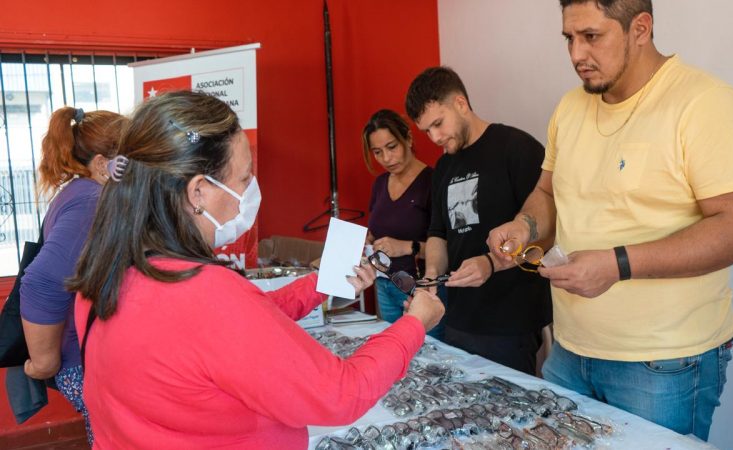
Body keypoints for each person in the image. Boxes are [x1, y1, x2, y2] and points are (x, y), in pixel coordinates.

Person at [66, 91, 444, 449]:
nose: (250, 192)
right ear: (198, 192)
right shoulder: (203, 293)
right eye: (245, 178)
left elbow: (239, 326)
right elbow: (340, 394)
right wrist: (413, 325)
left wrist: (322, 282)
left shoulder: (104, 275)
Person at [488, 0, 733, 440]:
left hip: (663, 363)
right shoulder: (570, 108)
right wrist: (524, 226)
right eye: (569, 38)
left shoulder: (704, 103)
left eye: (592, 36)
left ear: (640, 28)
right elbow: (547, 192)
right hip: (569, 350)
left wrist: (618, 264)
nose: (576, 54)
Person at [404, 66, 552, 375]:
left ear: (460, 103)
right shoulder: (443, 167)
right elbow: (438, 233)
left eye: (438, 124)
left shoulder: (517, 148)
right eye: (426, 131)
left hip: (510, 321)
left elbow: (548, 231)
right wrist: (430, 276)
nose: (434, 137)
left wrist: (491, 261)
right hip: (458, 318)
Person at [20, 106, 126, 444]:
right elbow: (42, 280)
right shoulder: (90, 201)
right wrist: (43, 363)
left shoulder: (83, 193)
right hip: (83, 363)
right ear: (100, 163)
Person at [361, 109, 445, 339]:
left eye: (392, 147)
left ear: (407, 138)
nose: (386, 159)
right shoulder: (380, 184)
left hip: (422, 290)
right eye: (377, 152)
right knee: (393, 355)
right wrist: (367, 240)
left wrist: (407, 246)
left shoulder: (433, 181)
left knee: (428, 358)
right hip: (385, 284)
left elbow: (450, 247)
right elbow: (378, 229)